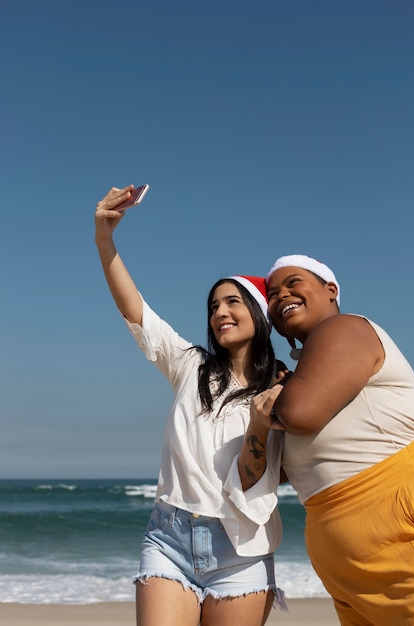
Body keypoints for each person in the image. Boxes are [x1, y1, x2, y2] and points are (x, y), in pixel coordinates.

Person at [94, 184, 288, 626]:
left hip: (242, 551)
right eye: (214, 305)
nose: (220, 311)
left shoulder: (282, 389)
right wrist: (105, 239)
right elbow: (136, 311)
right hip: (169, 538)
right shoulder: (191, 366)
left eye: (232, 302)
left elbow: (262, 470)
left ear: (257, 314)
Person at [243, 254, 414, 626]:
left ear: (331, 290)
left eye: (294, 283)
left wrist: (277, 394)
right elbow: (281, 472)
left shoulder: (345, 329)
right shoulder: (307, 372)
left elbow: (300, 414)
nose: (281, 295)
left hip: (397, 519)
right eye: (272, 294)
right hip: (344, 557)